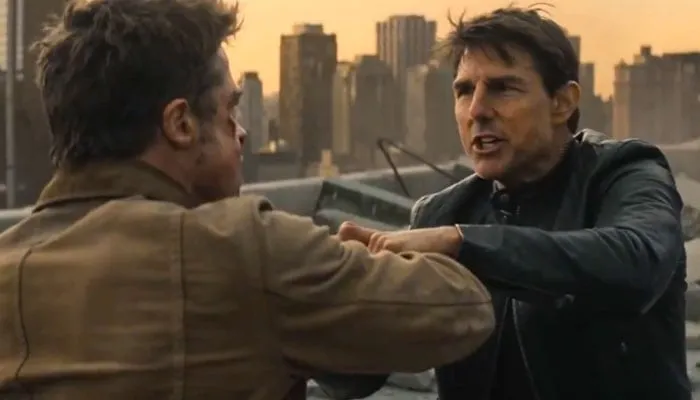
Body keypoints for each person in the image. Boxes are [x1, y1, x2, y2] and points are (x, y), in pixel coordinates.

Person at [0, 1, 497, 399]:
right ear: (180, 124)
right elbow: (463, 311)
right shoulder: (241, 250)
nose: (241, 133)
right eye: (229, 112)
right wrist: (364, 258)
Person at [335, 6, 690, 400]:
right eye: (464, 91)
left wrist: (461, 243)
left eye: (503, 88)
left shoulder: (625, 172)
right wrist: (342, 296)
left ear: (562, 102)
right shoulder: (444, 212)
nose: (477, 111)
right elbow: (355, 378)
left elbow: (637, 264)